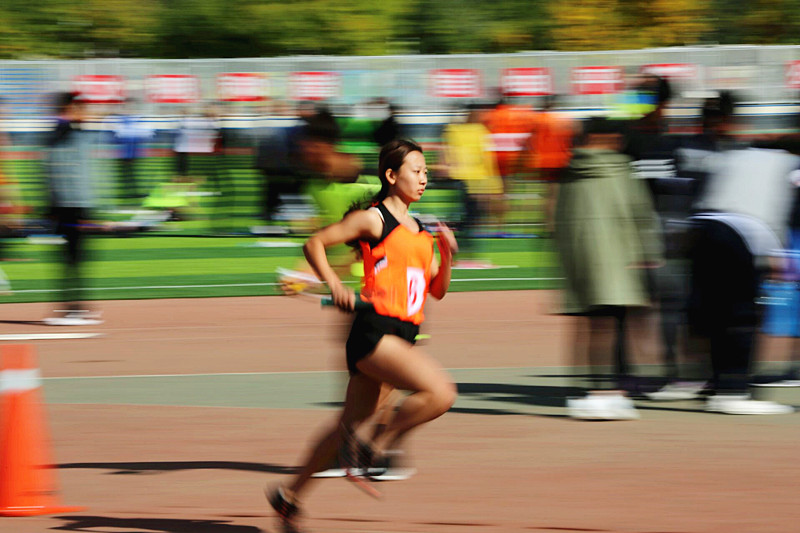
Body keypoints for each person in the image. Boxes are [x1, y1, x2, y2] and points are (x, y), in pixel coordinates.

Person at [265, 139, 458, 532]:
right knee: (441, 393)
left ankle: (289, 497)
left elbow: (436, 290)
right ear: (391, 176)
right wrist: (333, 283)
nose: (424, 178)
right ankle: (376, 449)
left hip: (403, 334)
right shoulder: (374, 219)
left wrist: (449, 254)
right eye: (416, 171)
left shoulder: (421, 232)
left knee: (346, 428)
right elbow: (315, 243)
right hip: (374, 332)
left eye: (425, 172)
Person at [555, 117, 663, 420]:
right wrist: (648, 253)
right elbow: (640, 214)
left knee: (590, 327)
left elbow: (559, 221)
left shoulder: (569, 172)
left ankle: (593, 390)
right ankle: (607, 393)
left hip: (582, 261)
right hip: (619, 261)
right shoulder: (621, 169)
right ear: (605, 138)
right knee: (612, 326)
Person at [43, 92, 103, 326]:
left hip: (76, 204)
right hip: (70, 206)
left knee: (76, 258)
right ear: (71, 108)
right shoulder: (63, 132)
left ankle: (76, 307)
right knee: (72, 258)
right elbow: (57, 170)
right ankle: (72, 308)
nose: (87, 113)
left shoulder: (68, 131)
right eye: (82, 108)